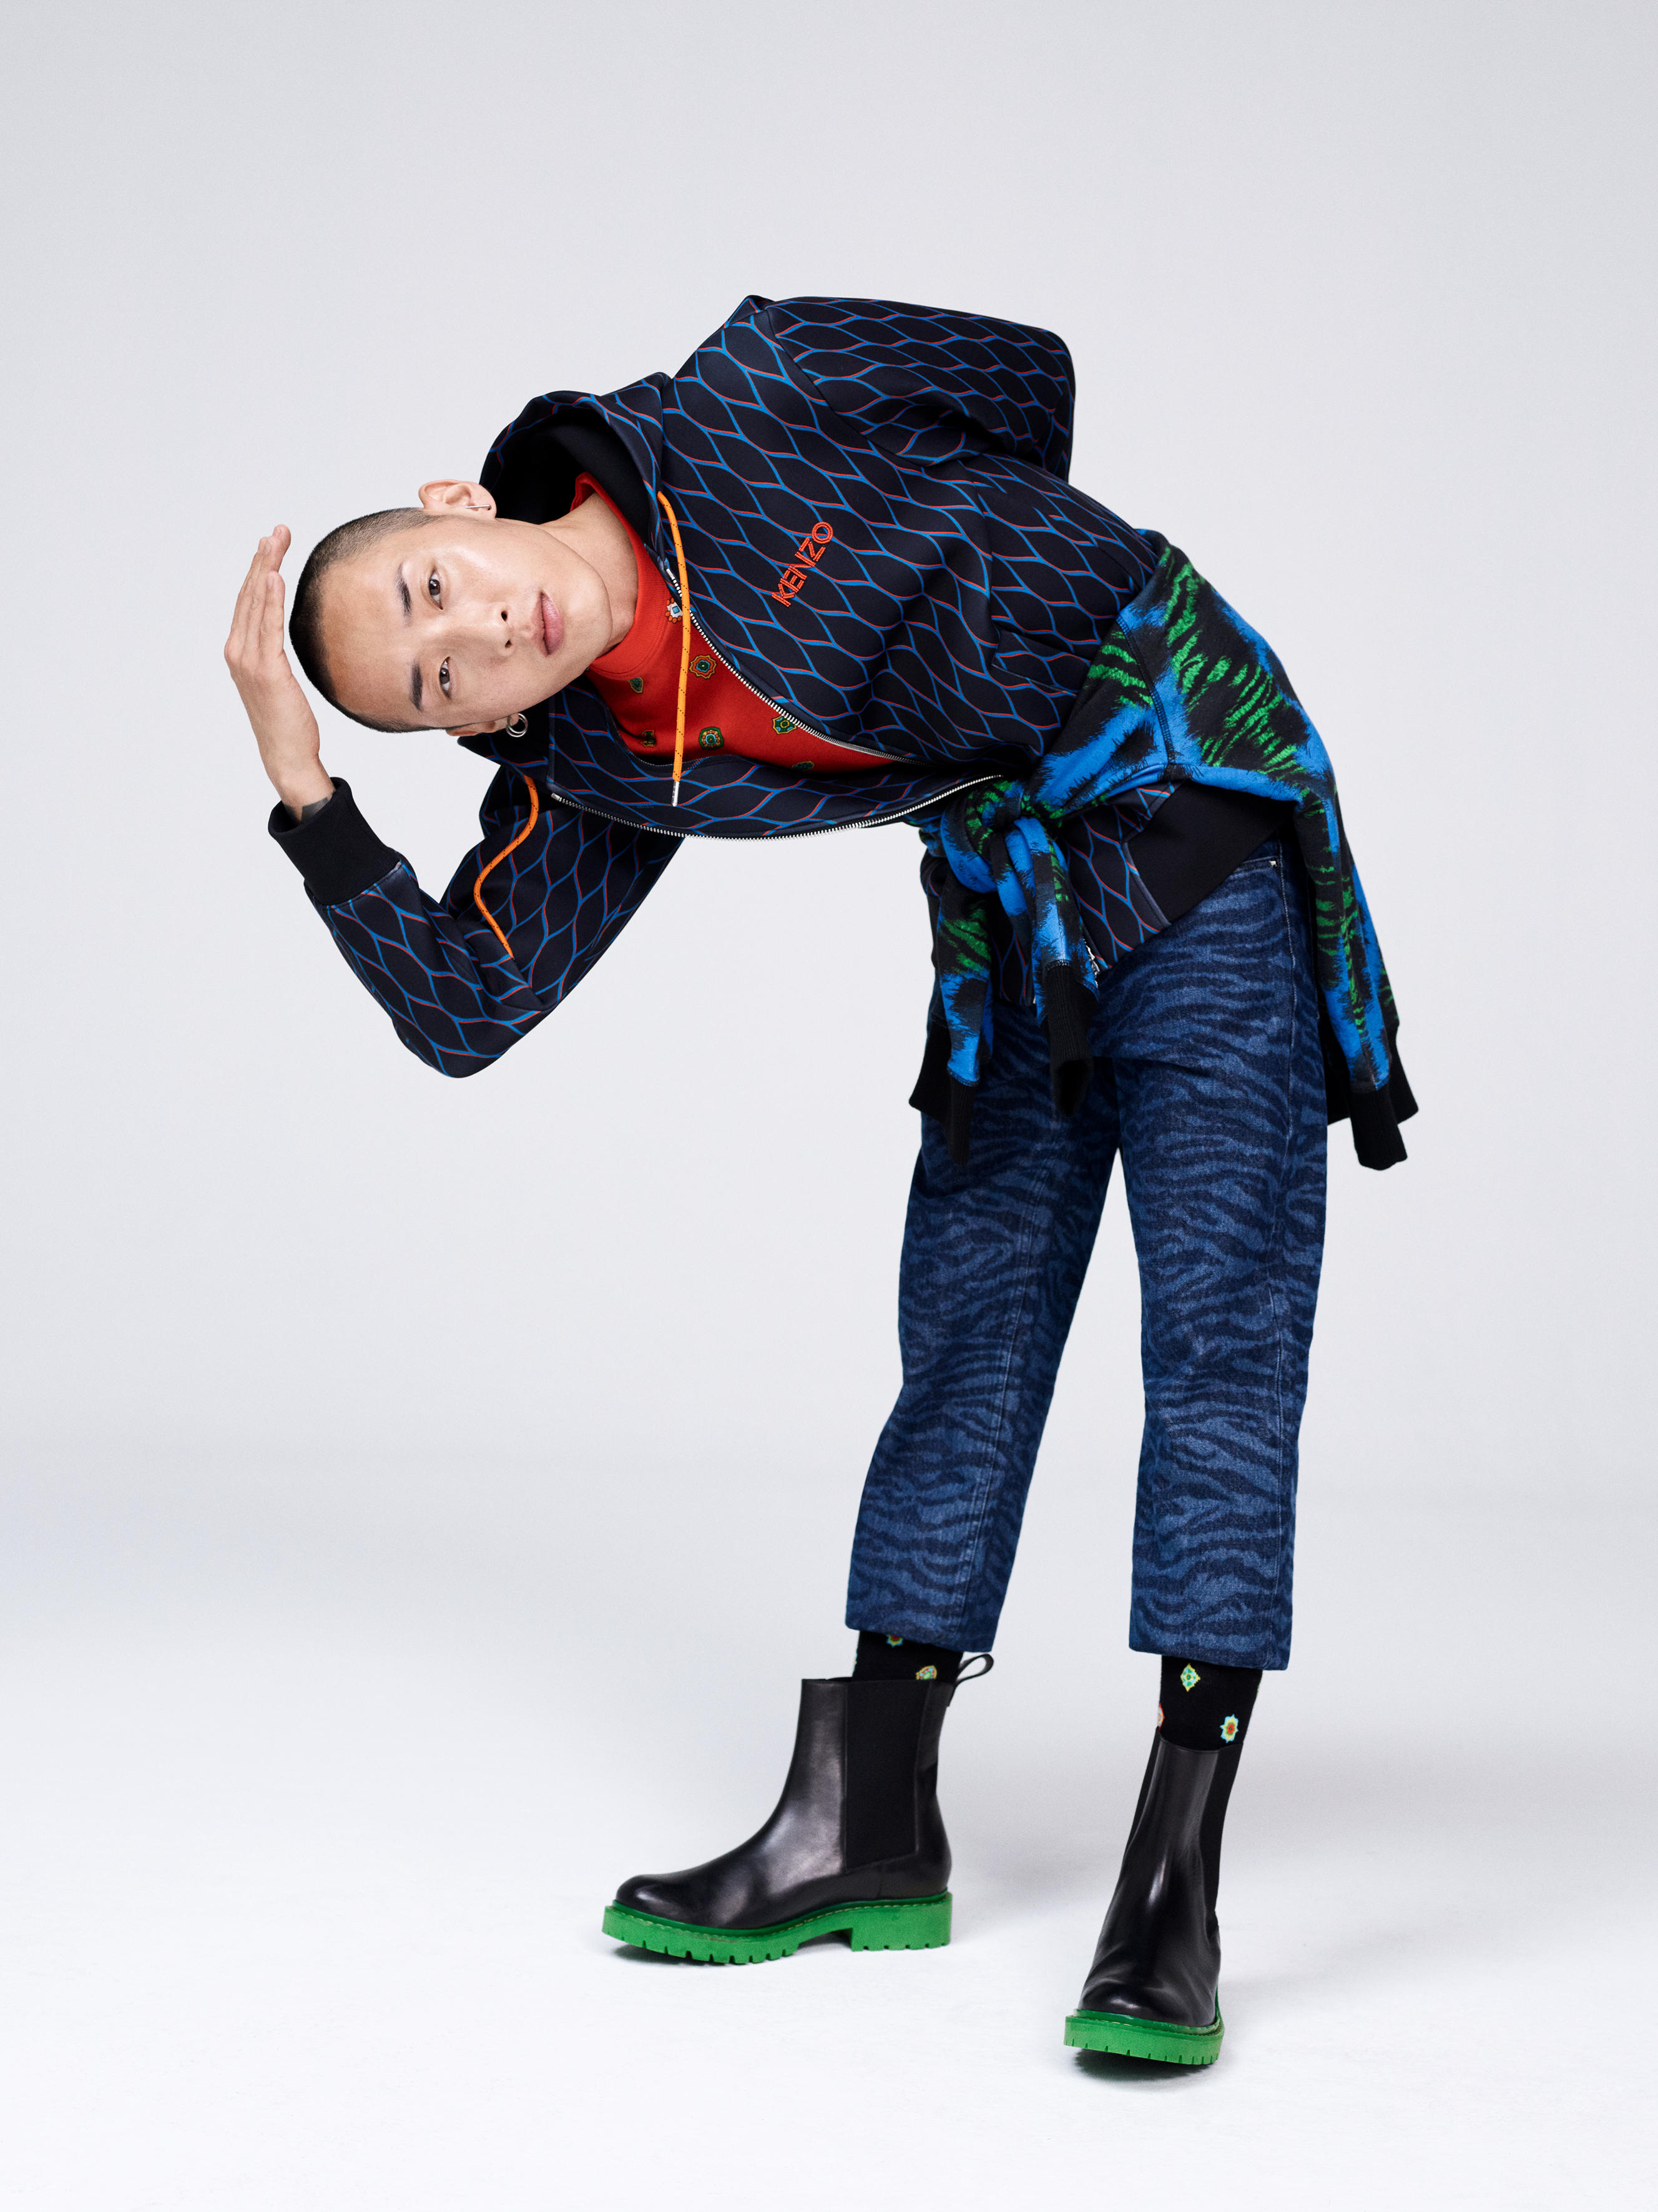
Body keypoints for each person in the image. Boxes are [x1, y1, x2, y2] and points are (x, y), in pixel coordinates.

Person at [225, 296, 1413, 2067]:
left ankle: (1175, 1881)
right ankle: (868, 1819)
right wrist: (307, 791)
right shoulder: (607, 764)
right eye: (441, 683)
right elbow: (469, 1009)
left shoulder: (752, 389)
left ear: (459, 506)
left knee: (1219, 1339)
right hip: (1018, 900)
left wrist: (991, 599)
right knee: (969, 1324)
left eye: (434, 592)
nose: (478, 637)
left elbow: (1026, 382)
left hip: (1192, 812)